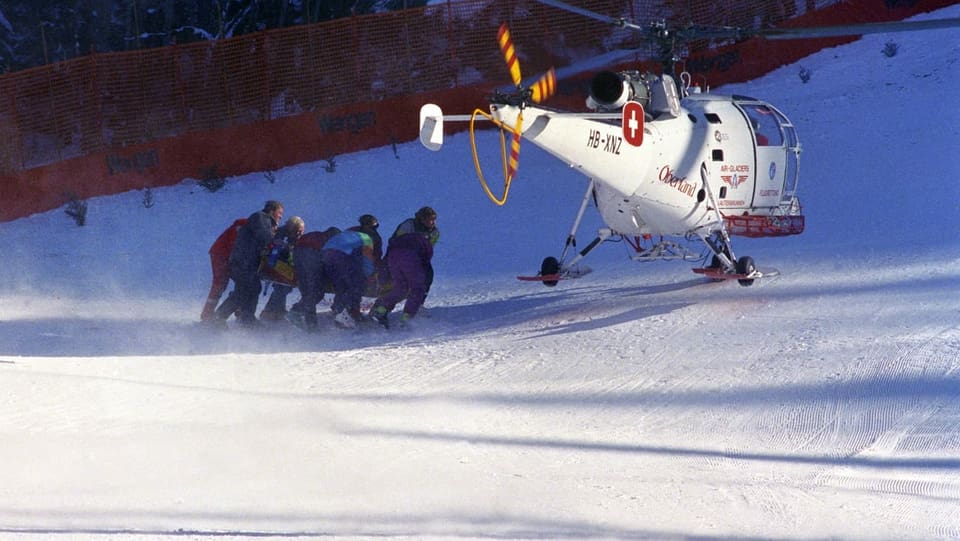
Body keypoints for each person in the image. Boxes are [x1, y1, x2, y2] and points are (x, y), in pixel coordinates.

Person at [213, 200, 283, 328]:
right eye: (279, 213)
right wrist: (277, 243)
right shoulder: (261, 217)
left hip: (248, 262)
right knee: (243, 290)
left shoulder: (266, 221)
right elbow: (264, 236)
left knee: (254, 287)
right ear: (272, 210)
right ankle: (220, 317)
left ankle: (247, 317)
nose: (281, 216)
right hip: (243, 262)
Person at [370, 206, 439, 328]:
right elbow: (424, 251)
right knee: (418, 288)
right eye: (429, 219)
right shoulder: (409, 225)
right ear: (421, 219)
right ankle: (407, 319)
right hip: (409, 258)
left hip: (396, 258)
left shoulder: (434, 232)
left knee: (401, 288)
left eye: (433, 219)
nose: (432, 222)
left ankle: (380, 311)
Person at [319, 229, 377, 329]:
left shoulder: (346, 235)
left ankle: (338, 310)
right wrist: (370, 274)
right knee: (356, 284)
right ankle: (349, 314)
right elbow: (367, 259)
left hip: (326, 254)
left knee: (341, 286)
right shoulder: (367, 238)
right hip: (342, 254)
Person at [286, 226, 341, 331]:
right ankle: (308, 323)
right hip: (310, 261)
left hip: (298, 261)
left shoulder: (314, 234)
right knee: (315, 293)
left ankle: (303, 318)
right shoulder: (328, 242)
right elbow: (329, 262)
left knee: (308, 294)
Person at [200, 217, 247, 321]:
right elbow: (234, 242)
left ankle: (237, 307)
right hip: (221, 255)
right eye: (279, 214)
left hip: (227, 256)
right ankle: (207, 315)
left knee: (244, 283)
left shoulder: (251, 227)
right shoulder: (245, 226)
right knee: (220, 283)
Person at [259, 216, 305, 321]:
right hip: (273, 264)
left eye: (301, 232)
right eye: (299, 232)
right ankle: (270, 311)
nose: (300, 234)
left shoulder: (288, 235)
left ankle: (276, 309)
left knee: (284, 287)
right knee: (283, 286)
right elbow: (276, 253)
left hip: (277, 264)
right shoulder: (281, 236)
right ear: (292, 229)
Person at [347, 214, 383, 297]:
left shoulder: (354, 230)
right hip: (356, 259)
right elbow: (376, 253)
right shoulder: (373, 236)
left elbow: (377, 253)